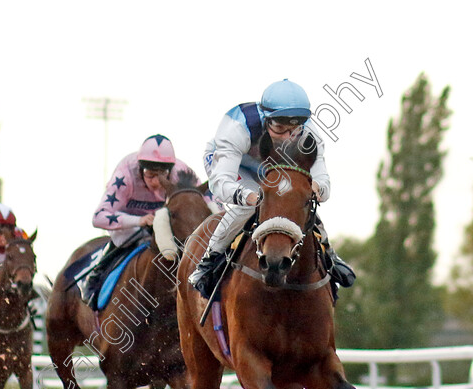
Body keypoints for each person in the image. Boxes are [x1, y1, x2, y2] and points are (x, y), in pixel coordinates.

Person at [188, 79, 356, 298]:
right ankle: (210, 260)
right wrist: (249, 196)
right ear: (266, 119)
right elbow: (221, 183)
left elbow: (323, 183)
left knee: (299, 200)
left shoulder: (310, 135)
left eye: (293, 130)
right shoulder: (237, 127)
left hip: (274, 169)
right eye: (279, 128)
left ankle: (328, 254)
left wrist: (314, 188)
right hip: (235, 166)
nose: (286, 137)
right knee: (250, 206)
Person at [80, 134, 200, 306]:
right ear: (140, 168)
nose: (156, 182)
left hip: (164, 226)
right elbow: (98, 217)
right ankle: (96, 276)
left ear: (170, 170)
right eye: (150, 175)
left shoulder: (180, 172)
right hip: (130, 226)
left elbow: (205, 199)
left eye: (162, 175)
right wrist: (138, 221)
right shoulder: (125, 174)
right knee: (123, 239)